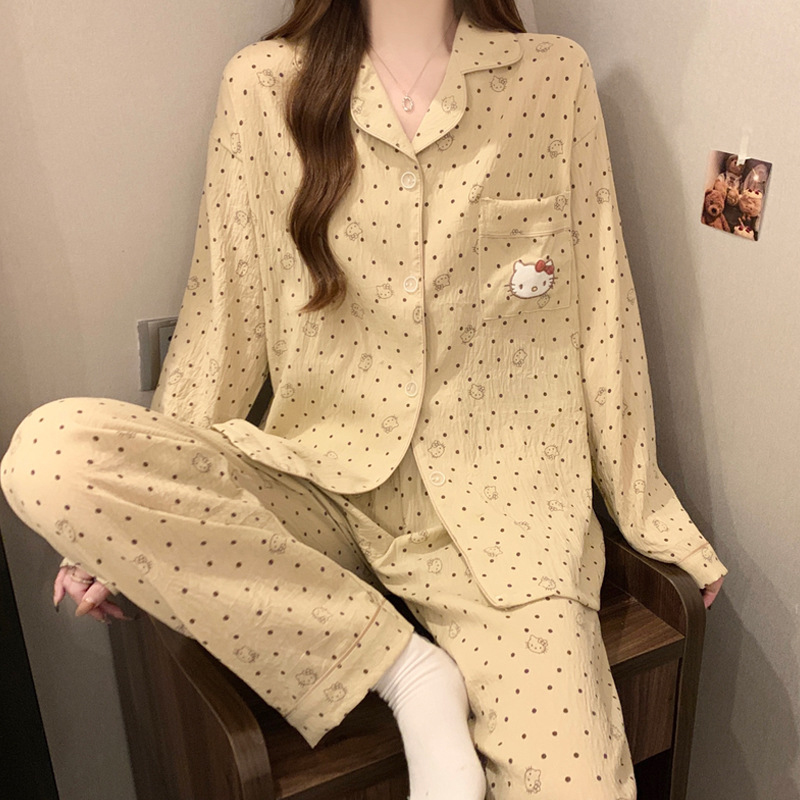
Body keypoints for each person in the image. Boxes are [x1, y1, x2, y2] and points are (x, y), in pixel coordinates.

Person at [0, 1, 727, 798]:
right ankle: (406, 672)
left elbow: (602, 315)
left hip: (503, 512)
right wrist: (137, 514)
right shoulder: (262, 87)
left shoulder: (551, 78)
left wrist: (651, 514)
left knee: (580, 782)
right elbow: (221, 324)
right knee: (50, 456)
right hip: (319, 484)